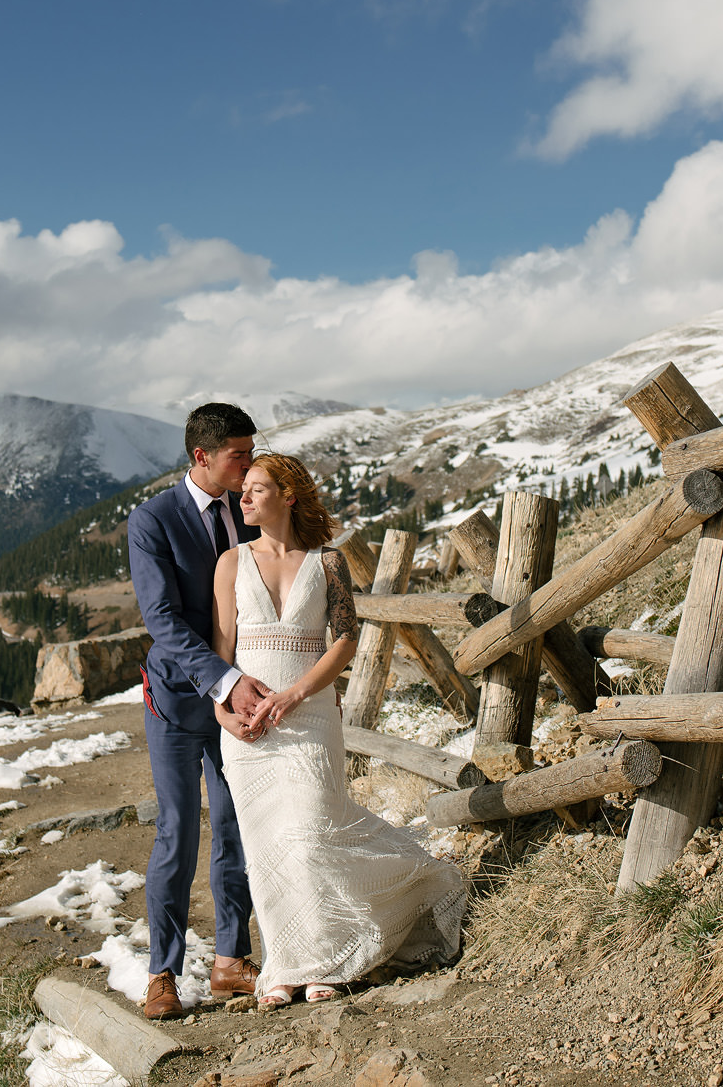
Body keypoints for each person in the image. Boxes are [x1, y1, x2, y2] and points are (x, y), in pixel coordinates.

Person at [213, 452, 467, 1008]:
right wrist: (222, 711)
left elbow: (344, 641)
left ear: (289, 495)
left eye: (257, 489)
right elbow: (222, 652)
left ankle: (329, 953)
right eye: (243, 490)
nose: (244, 498)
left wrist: (296, 693)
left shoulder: (327, 563)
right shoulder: (230, 562)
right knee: (267, 846)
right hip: (249, 730)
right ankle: (283, 966)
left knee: (312, 830)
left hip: (309, 716)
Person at [127, 402, 271, 1019]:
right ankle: (162, 971)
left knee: (236, 821)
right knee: (179, 829)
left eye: (251, 451)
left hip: (243, 697)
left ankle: (231, 959)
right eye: (239, 454)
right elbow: (161, 620)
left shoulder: (254, 508)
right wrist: (224, 680)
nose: (249, 463)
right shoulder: (152, 520)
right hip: (181, 698)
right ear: (201, 457)